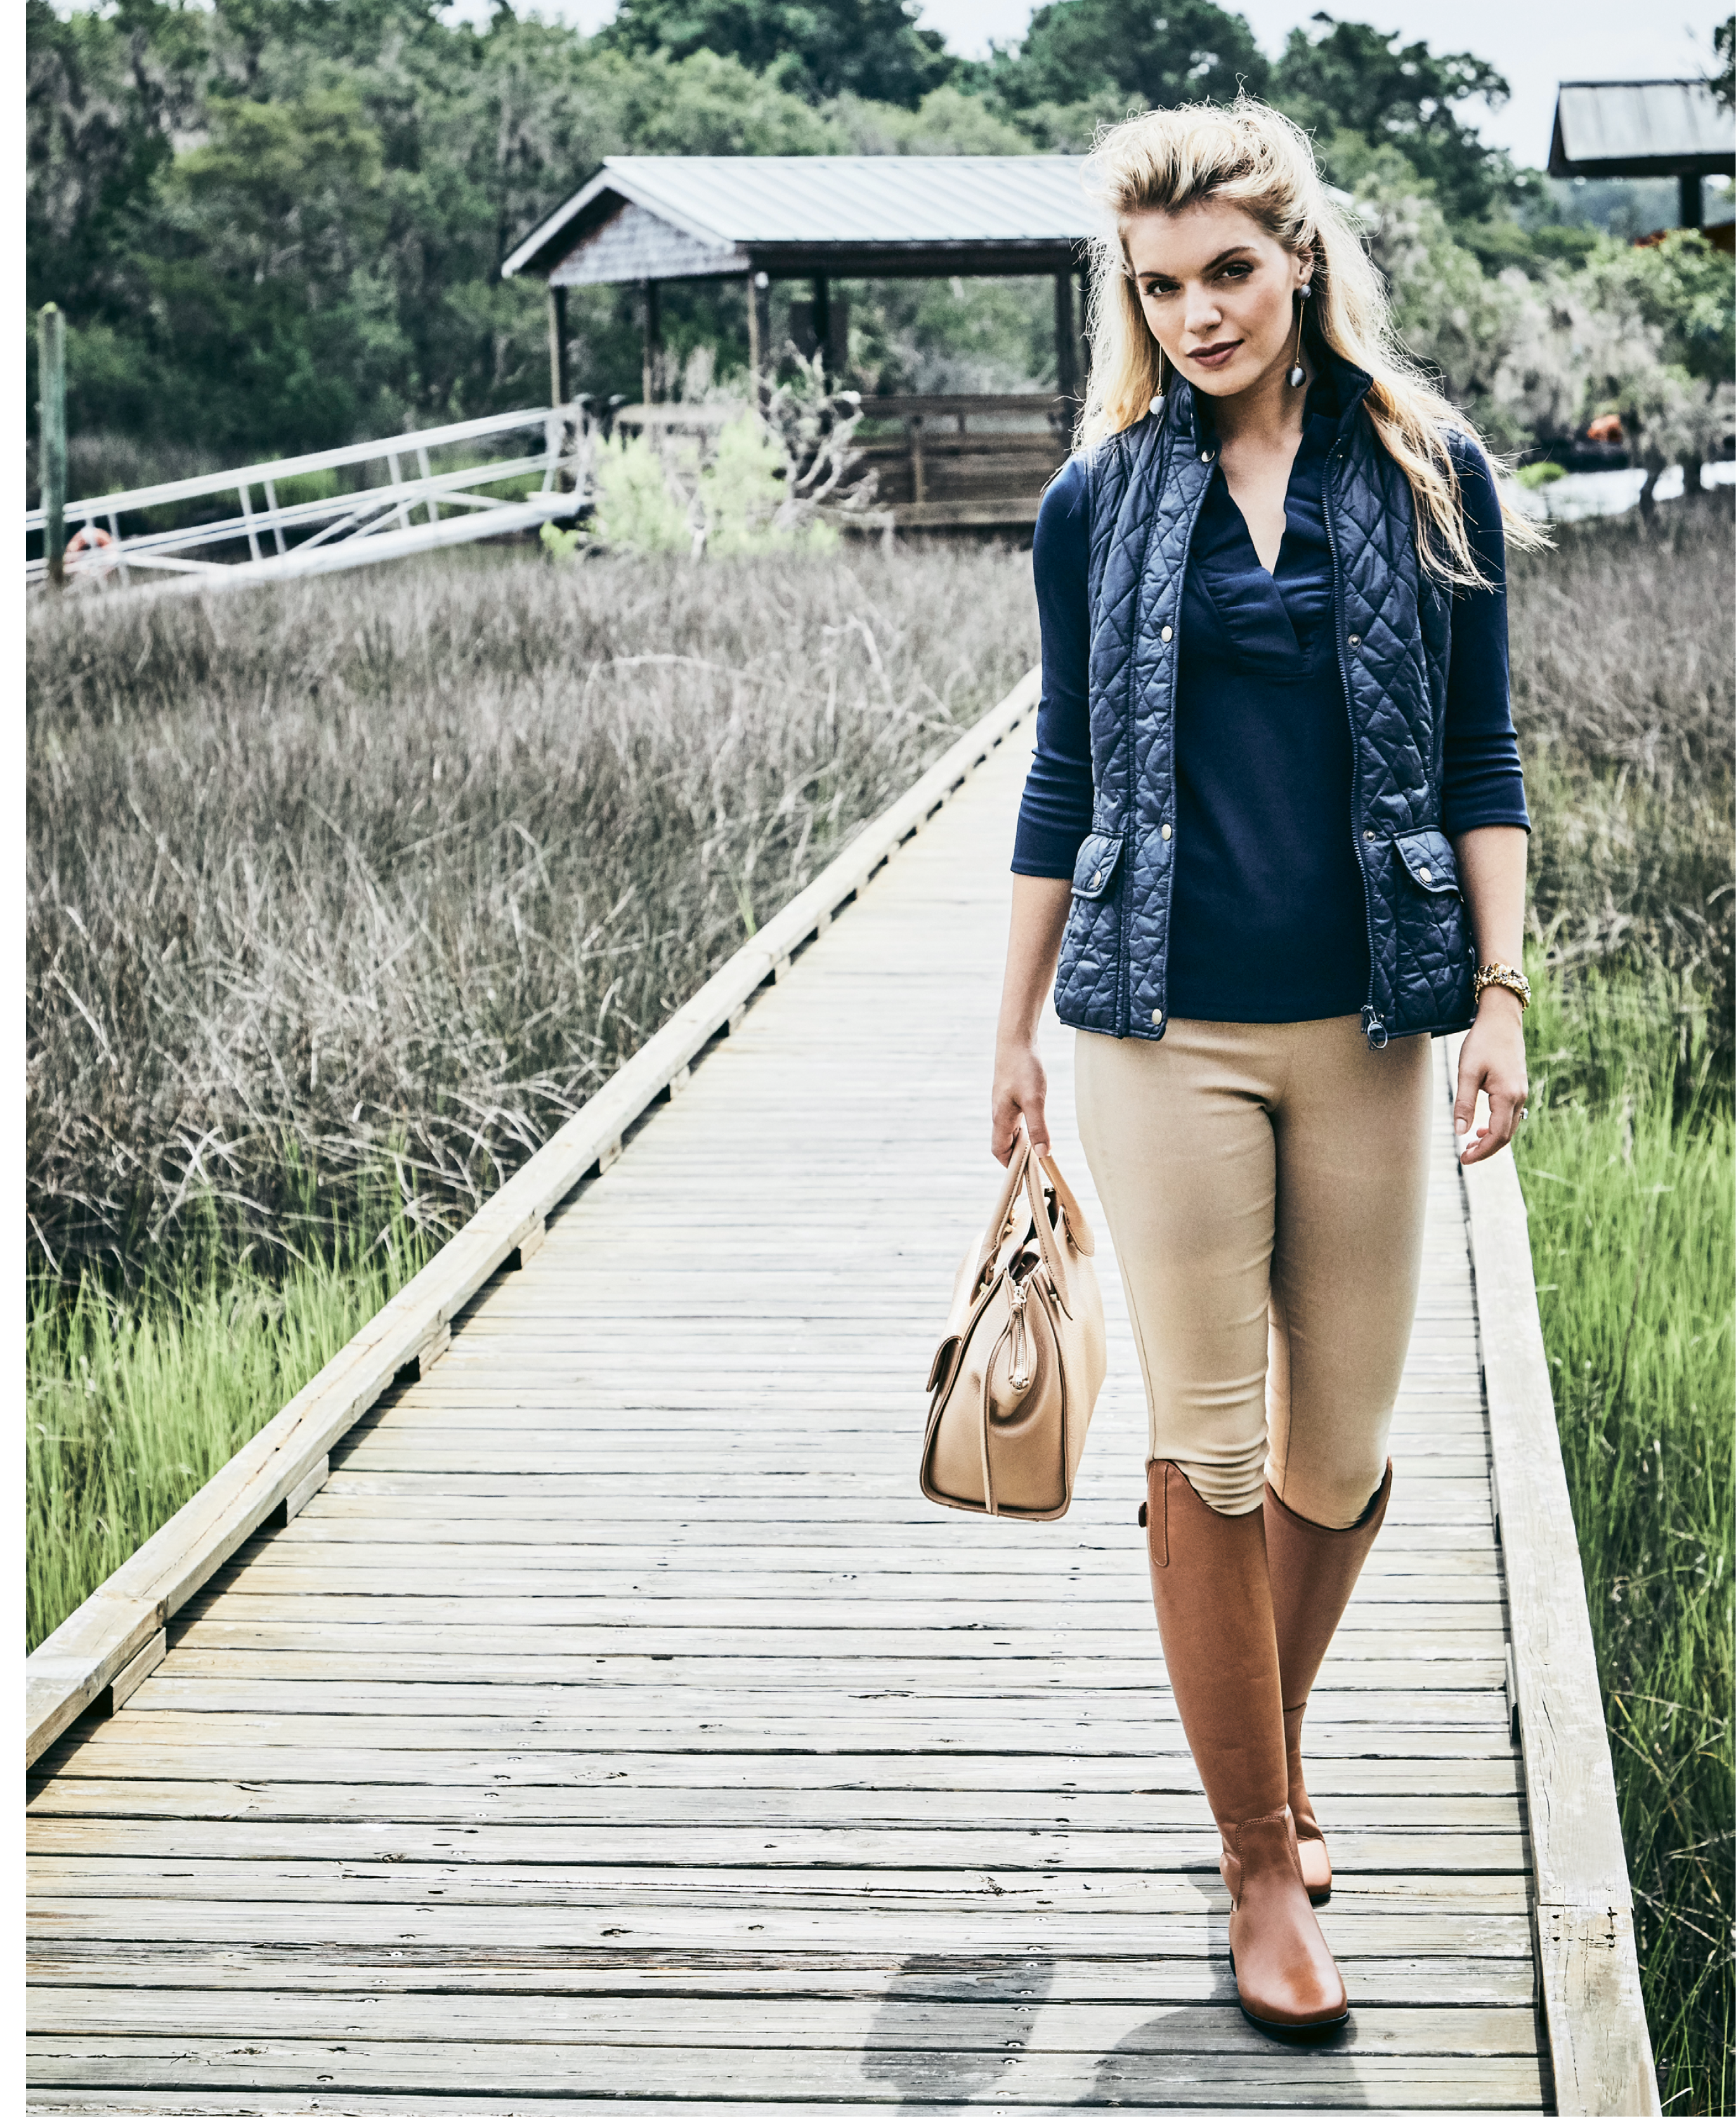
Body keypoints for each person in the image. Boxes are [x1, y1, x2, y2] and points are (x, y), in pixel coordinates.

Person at [990, 99, 1539, 2038]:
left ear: (1301, 258)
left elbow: (1483, 759)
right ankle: (1255, 1861)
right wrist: (1013, 1040)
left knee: (1342, 1450)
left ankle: (1270, 1744)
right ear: (1130, 301)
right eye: (1161, 285)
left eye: (1230, 269)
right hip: (1162, 1024)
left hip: (1376, 1015)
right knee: (1211, 1443)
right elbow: (1060, 774)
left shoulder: (1426, 471)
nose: (1199, 310)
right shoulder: (1099, 502)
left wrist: (1502, 992)